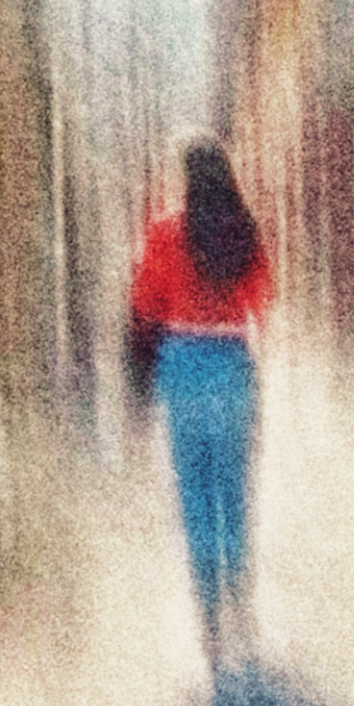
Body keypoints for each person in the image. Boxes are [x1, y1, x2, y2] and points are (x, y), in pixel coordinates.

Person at [129, 135, 273, 663]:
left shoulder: (165, 232)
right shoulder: (244, 230)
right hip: (232, 361)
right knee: (233, 485)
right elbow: (262, 298)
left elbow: (144, 303)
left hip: (182, 364)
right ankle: (237, 585)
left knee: (194, 487)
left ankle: (209, 605)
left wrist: (141, 379)